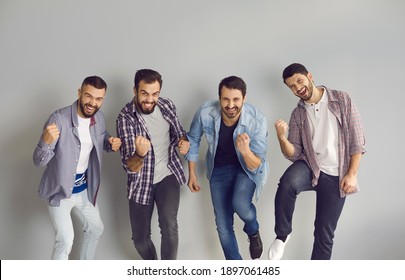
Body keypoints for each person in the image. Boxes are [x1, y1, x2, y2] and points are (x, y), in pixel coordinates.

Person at [268, 63, 366, 260]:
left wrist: (352, 174)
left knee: (324, 235)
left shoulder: (341, 99)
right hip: (311, 167)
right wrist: (281, 138)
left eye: (299, 81)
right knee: (287, 183)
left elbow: (357, 140)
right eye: (292, 87)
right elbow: (294, 154)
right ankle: (282, 235)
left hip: (336, 176)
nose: (298, 88)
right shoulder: (298, 113)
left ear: (310, 76)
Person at [33, 76, 122, 260]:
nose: (92, 103)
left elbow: (100, 138)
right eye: (88, 96)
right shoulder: (58, 119)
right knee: (65, 240)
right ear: (79, 93)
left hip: (83, 190)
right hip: (60, 191)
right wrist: (45, 142)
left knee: (96, 228)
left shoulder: (99, 117)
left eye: (98, 99)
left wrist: (109, 143)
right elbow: (38, 161)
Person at [186, 75, 268, 260]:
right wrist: (191, 173)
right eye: (226, 99)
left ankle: (252, 230)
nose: (231, 105)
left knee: (240, 204)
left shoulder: (257, 120)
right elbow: (193, 139)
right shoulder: (206, 111)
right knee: (223, 226)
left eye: (236, 99)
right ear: (219, 98)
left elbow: (258, 164)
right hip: (218, 170)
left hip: (245, 169)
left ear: (244, 98)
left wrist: (246, 152)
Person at [116, 69, 190, 260]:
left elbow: (179, 132)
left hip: (168, 175)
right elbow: (129, 165)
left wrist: (183, 142)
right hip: (141, 182)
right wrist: (140, 154)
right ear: (135, 90)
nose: (150, 99)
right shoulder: (126, 118)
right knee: (140, 240)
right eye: (144, 93)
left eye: (154, 94)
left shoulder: (166, 106)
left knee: (169, 224)